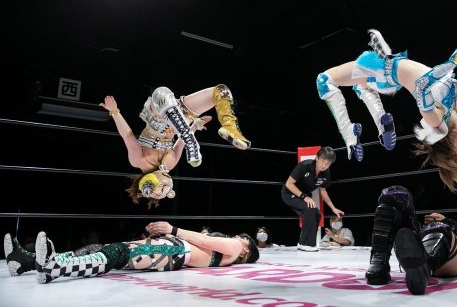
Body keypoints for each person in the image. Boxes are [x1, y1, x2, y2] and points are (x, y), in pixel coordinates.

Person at [317, 27, 457, 192]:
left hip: (384, 71)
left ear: (443, 142)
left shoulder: (436, 120)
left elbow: (422, 87)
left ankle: (349, 134)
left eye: (455, 148)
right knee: (362, 86)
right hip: (389, 67)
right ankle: (381, 124)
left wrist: (453, 61)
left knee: (324, 80)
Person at [99, 84, 251, 207]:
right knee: (220, 91)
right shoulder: (169, 165)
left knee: (161, 94)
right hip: (181, 117)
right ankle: (230, 127)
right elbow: (180, 143)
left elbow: (127, 135)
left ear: (149, 181)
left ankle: (188, 137)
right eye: (167, 190)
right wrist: (195, 126)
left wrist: (115, 112)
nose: (167, 186)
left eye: (162, 188)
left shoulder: (138, 161)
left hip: (158, 115)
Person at [3, 221, 259, 283]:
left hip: (174, 250)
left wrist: (173, 229)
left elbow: (207, 241)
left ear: (246, 250)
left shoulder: (236, 248)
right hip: (172, 250)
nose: (239, 237)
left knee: (119, 252)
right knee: (103, 250)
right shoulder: (230, 250)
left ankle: (53, 269)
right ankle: (26, 262)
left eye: (244, 238)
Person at [281, 146, 344, 252]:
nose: (324, 165)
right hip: (289, 193)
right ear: (317, 158)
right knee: (310, 209)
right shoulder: (304, 165)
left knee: (317, 214)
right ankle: (307, 244)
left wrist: (333, 208)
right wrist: (304, 197)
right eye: (323, 161)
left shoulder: (326, 173)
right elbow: (289, 184)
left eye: (328, 163)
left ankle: (302, 242)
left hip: (304, 196)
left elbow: (323, 191)